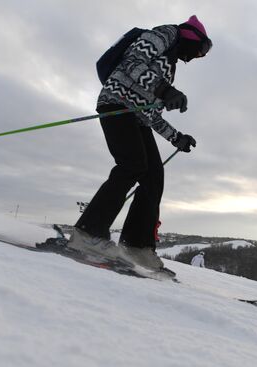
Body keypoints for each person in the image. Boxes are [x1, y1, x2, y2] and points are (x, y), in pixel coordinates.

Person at [68, 16, 213, 271]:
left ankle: (137, 246)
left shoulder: (169, 63)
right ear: (192, 37)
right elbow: (132, 62)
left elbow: (151, 113)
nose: (198, 57)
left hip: (136, 116)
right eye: (201, 50)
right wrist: (165, 91)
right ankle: (88, 235)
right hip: (116, 104)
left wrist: (176, 137)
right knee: (132, 164)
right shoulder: (165, 35)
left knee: (154, 175)